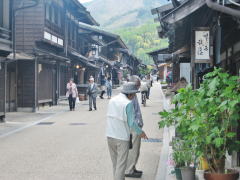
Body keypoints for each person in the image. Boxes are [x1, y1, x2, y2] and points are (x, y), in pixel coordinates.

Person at [106, 82, 148, 180]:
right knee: (121, 166)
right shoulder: (127, 103)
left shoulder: (112, 100)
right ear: (129, 94)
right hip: (121, 138)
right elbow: (132, 123)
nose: (134, 97)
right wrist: (141, 132)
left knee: (115, 164)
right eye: (134, 94)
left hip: (110, 135)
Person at [125, 76, 144, 178]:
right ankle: (129, 170)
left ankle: (132, 167)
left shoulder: (134, 94)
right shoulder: (129, 95)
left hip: (136, 125)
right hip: (133, 126)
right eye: (137, 84)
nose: (139, 86)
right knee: (133, 149)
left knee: (136, 149)